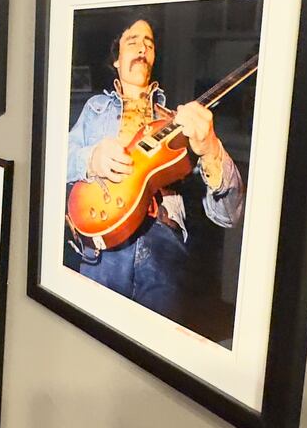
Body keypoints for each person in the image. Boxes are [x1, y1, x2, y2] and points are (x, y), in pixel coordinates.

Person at [65, 19, 245, 318]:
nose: (142, 47)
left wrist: (212, 149)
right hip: (104, 249)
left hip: (163, 247)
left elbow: (229, 213)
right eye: (132, 40)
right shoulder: (95, 108)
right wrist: (91, 158)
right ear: (116, 58)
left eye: (149, 43)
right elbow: (55, 162)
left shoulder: (177, 122)